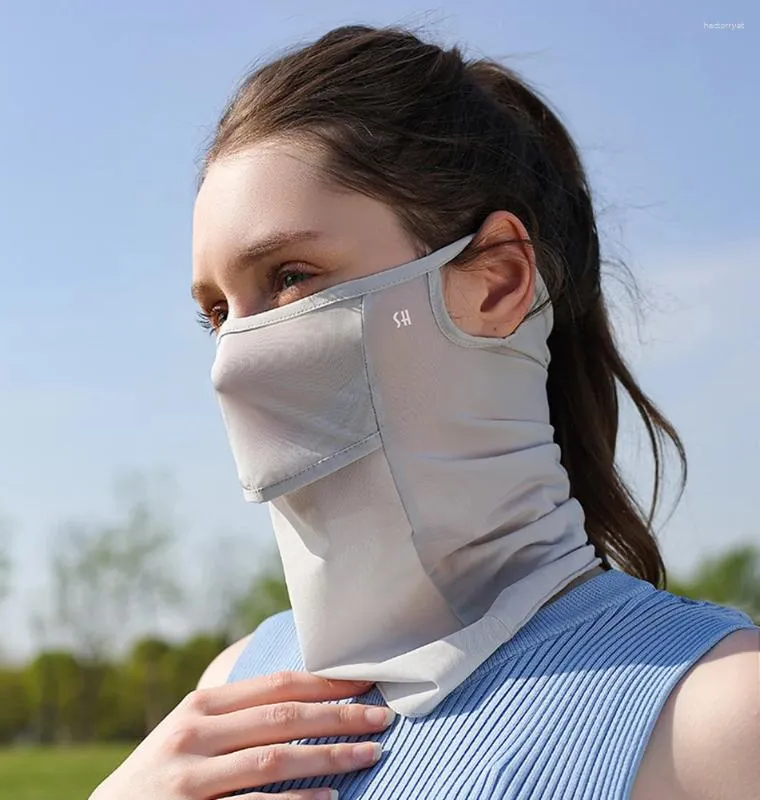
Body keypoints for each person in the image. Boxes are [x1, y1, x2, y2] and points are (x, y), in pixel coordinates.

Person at [91, 24, 760, 800]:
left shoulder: (718, 720)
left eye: (290, 276)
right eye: (216, 312)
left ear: (498, 282)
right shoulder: (235, 690)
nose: (234, 356)